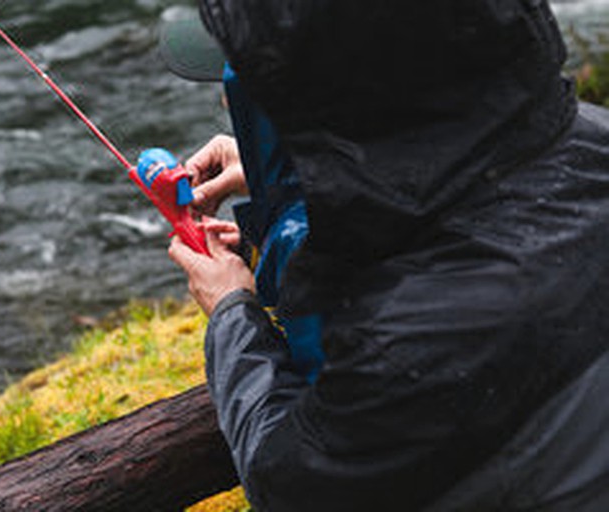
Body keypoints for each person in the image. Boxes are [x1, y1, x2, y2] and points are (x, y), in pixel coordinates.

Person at [162, 1, 609, 511]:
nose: (229, 102)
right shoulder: (588, 141)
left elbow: (293, 484)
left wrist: (231, 312)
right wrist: (299, 170)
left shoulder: (411, 342)